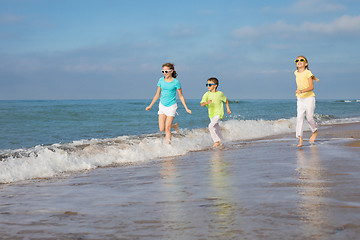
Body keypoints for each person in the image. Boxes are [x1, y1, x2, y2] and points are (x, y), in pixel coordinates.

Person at [146, 63, 192, 144]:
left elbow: (181, 96)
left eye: (166, 71)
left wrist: (186, 108)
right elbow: (157, 94)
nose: (164, 73)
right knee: (161, 129)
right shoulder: (161, 80)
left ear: (171, 71)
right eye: (163, 71)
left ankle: (169, 147)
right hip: (162, 105)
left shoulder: (176, 82)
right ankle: (174, 126)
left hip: (171, 106)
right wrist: (150, 105)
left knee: (167, 128)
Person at [294, 56, 320, 147]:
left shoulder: (308, 73)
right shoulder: (296, 73)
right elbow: (300, 84)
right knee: (300, 118)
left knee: (309, 118)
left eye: (302, 60)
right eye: (297, 60)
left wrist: (301, 91)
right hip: (300, 99)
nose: (299, 61)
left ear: (306, 64)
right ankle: (300, 139)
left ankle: (315, 131)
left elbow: (311, 87)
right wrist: (298, 91)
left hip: (309, 98)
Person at [200, 77, 231, 148]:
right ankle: (222, 141)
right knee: (216, 128)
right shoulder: (206, 94)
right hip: (211, 114)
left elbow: (225, 100)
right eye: (207, 84)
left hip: (219, 113)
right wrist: (207, 102)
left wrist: (228, 109)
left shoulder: (220, 94)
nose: (208, 86)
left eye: (210, 85)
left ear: (215, 85)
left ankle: (216, 141)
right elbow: (202, 104)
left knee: (210, 126)